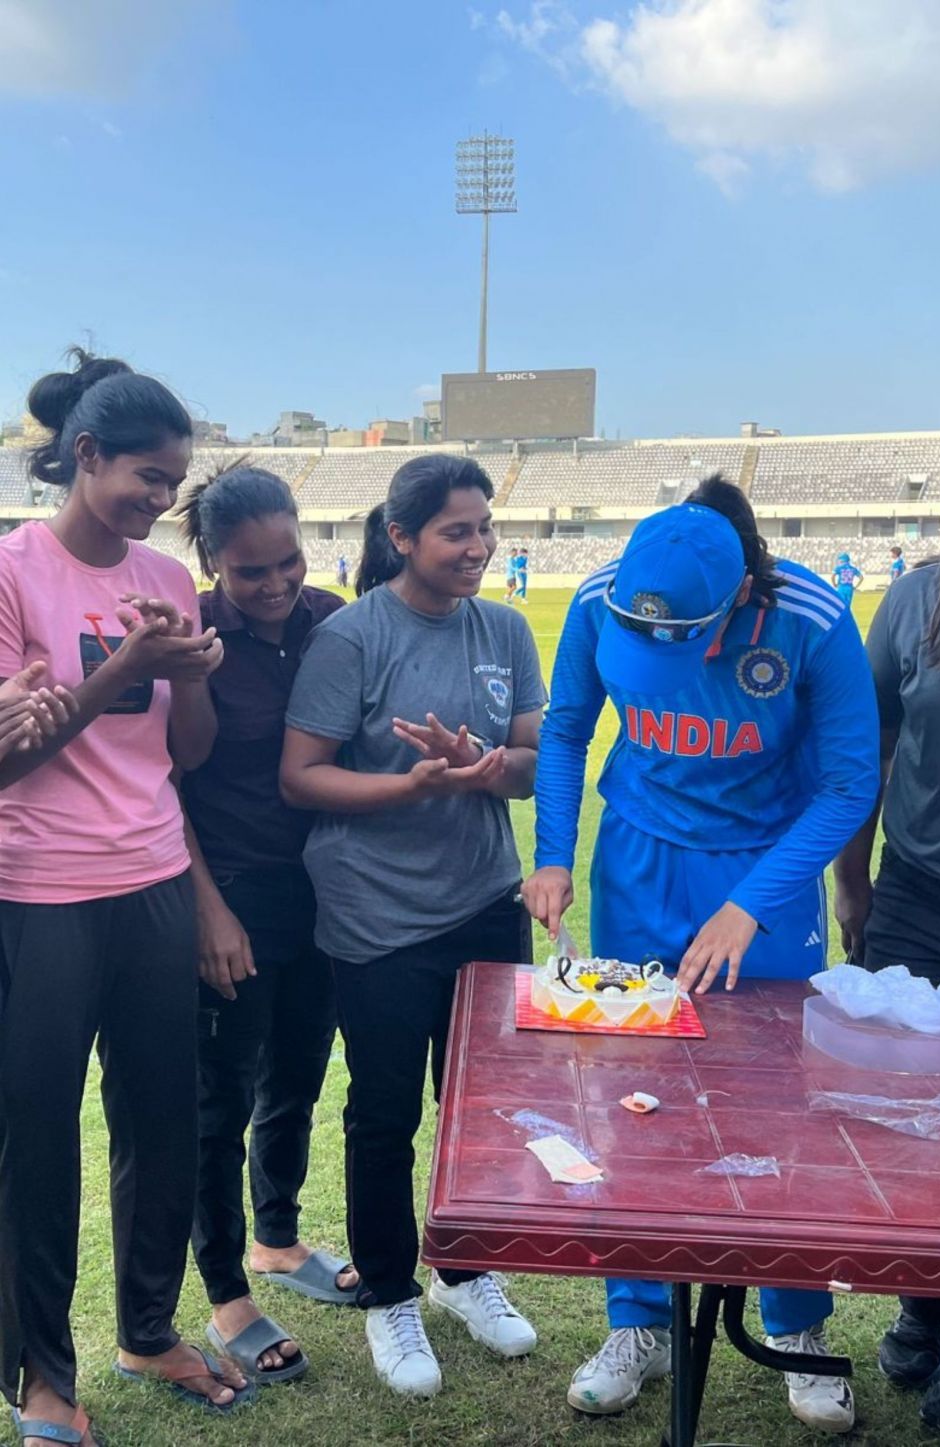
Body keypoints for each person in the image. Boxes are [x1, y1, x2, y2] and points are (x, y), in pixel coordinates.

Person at [525, 476, 879, 1434]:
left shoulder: (810, 616)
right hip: (639, 863)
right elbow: (563, 731)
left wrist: (751, 906)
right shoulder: (601, 597)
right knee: (636, 1093)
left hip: (764, 873)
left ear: (735, 602)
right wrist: (555, 851)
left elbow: (850, 783)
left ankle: (795, 1320)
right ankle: (637, 1316)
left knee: (775, 1097)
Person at [0, 351, 245, 1447]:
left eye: (172, 482)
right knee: (38, 1136)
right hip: (38, 892)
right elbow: (7, 763)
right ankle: (39, 1375)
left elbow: (183, 754)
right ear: (85, 455)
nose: (159, 499)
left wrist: (187, 673)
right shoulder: (13, 573)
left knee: (162, 1116)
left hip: (150, 881)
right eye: (145, 475)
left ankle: (148, 1326)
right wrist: (118, 668)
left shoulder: (168, 577)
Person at [281, 453, 546, 1398]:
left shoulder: (506, 628)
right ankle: (390, 1291)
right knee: (386, 1110)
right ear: (402, 538)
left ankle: (463, 1271)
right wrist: (410, 782)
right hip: (379, 916)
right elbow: (301, 774)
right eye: (456, 531)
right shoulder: (353, 638)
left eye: (484, 528)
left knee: (477, 1113)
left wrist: (482, 762)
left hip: (484, 901)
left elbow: (529, 765)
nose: (477, 546)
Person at [176, 463, 354, 1389]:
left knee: (297, 1072)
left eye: (288, 561)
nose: (277, 583)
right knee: (220, 1100)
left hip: (323, 890)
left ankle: (278, 1237)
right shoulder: (194, 634)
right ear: (212, 563)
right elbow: (162, 782)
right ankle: (226, 1293)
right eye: (251, 572)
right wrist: (208, 907)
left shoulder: (332, 616)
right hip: (231, 892)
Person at [833, 513, 940, 1437]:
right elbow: (870, 748)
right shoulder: (915, 599)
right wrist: (853, 880)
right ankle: (924, 1301)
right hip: (920, 891)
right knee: (909, 1122)